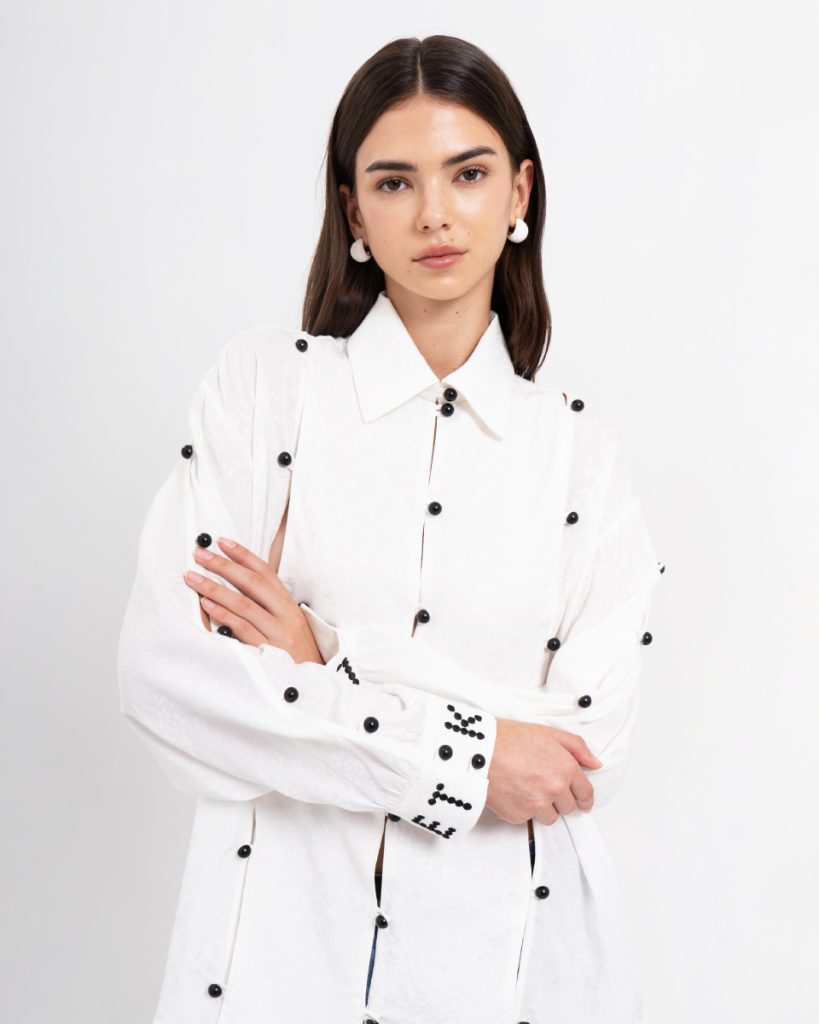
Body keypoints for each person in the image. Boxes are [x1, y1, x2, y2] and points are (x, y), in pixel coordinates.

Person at [118, 33, 664, 1024]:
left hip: (501, 976)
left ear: (520, 192)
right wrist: (476, 756)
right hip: (279, 972)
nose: (435, 213)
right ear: (352, 210)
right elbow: (172, 678)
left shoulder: (581, 454)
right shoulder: (265, 394)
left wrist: (322, 655)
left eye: (468, 173)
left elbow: (578, 756)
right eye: (394, 181)